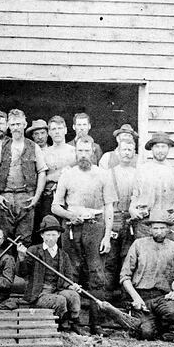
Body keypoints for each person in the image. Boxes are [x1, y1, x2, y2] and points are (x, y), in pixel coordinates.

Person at [52, 135, 116, 333]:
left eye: (87, 151)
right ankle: (75, 322)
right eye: (80, 151)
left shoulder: (103, 174)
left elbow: (109, 207)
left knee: (97, 273)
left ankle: (96, 323)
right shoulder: (68, 175)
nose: (84, 155)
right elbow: (55, 206)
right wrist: (70, 214)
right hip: (72, 228)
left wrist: (106, 236)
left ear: (94, 152)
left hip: (95, 226)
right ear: (76, 152)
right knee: (72, 272)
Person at [120, 209, 174, 340]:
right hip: (141, 295)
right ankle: (150, 324)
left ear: (169, 230)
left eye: (162, 228)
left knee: (172, 313)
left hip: (163, 297)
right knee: (146, 334)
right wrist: (136, 298)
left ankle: (159, 325)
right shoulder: (138, 244)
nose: (159, 231)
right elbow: (125, 277)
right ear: (149, 229)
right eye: (155, 228)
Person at [0, 109, 47, 247]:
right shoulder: (2, 146)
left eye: (19, 124)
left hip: (26, 198)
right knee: (3, 239)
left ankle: (21, 268)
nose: (16, 128)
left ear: (25, 124)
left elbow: (42, 172)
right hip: (6, 197)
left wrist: (36, 197)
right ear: (8, 125)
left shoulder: (34, 147)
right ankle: (6, 268)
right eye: (13, 124)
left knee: (24, 240)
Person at [16, 216, 84, 334]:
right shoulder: (33, 251)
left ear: (59, 235)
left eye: (53, 235)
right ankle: (62, 325)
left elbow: (68, 278)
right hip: (39, 293)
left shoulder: (63, 255)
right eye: (47, 235)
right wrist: (21, 258)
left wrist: (71, 286)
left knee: (73, 295)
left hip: (57, 289)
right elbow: (22, 273)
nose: (50, 238)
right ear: (42, 235)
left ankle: (75, 323)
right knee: (60, 300)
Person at [129, 133, 174, 245]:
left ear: (168, 148)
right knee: (144, 257)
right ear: (152, 149)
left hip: (166, 223)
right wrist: (132, 209)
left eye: (163, 147)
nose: (160, 150)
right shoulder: (142, 170)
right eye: (157, 147)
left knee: (166, 259)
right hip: (145, 223)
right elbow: (135, 195)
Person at [103, 138, 138, 292]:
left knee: (127, 257)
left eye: (130, 150)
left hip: (131, 221)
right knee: (110, 258)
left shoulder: (137, 174)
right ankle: (108, 293)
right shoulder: (109, 173)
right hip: (114, 219)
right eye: (124, 150)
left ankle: (125, 294)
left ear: (134, 153)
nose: (127, 153)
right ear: (118, 152)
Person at [34, 115, 77, 230]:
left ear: (66, 130)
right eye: (53, 129)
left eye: (59, 128)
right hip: (49, 198)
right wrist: (53, 177)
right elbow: (38, 178)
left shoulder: (74, 152)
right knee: (50, 229)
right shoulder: (43, 154)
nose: (57, 132)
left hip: (70, 198)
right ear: (49, 133)